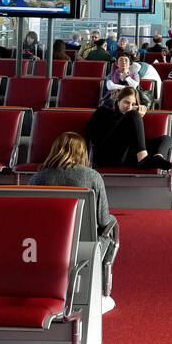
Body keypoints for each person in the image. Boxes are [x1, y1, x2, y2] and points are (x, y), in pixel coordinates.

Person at [29, 132, 118, 315]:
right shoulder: (92, 176)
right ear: (82, 153)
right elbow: (103, 220)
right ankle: (101, 292)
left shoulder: (37, 177)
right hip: (82, 244)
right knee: (111, 227)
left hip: (42, 244)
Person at [86, 86, 172, 171]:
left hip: (126, 156)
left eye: (133, 104)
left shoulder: (132, 118)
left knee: (166, 139)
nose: (129, 107)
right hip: (106, 156)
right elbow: (91, 136)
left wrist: (136, 120)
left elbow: (133, 143)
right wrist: (134, 117)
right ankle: (143, 159)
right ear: (118, 101)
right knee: (133, 114)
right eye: (126, 102)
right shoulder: (103, 112)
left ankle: (158, 157)